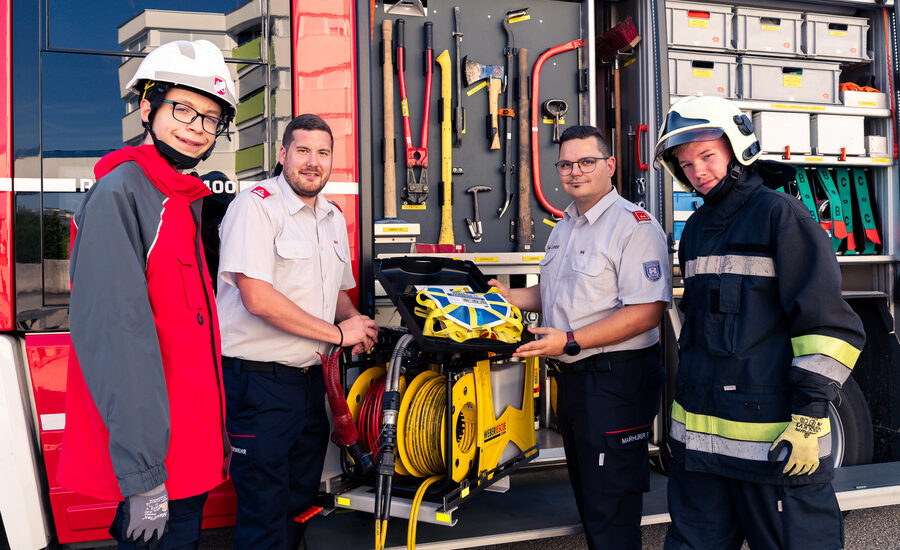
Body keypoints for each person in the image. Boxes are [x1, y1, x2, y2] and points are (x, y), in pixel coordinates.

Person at [654, 95, 866, 549]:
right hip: (701, 458)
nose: (698, 172)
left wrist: (810, 415)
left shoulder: (779, 216)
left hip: (774, 449)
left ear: (737, 148)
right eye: (686, 164)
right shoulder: (695, 230)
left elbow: (830, 326)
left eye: (707, 156)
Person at [57, 40, 237, 548]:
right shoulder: (123, 195)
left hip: (188, 458)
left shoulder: (179, 199)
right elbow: (119, 342)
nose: (196, 127)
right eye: (183, 108)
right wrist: (145, 478)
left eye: (210, 118)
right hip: (161, 467)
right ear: (147, 107)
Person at [489, 125, 670, 549]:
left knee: (611, 509)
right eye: (566, 164)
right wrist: (508, 296)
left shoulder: (634, 226)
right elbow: (556, 293)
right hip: (575, 382)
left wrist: (568, 340)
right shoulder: (566, 224)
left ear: (610, 166)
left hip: (614, 381)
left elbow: (646, 312)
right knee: (591, 501)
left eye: (586, 162)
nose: (575, 172)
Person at [216, 114, 379, 550]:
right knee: (263, 512)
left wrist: (357, 323)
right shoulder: (255, 205)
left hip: (312, 384)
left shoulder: (330, 216)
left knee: (300, 503)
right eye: (303, 150)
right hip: (260, 384)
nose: (313, 161)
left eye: (323, 153)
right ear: (283, 154)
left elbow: (339, 293)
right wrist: (337, 333)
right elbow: (257, 298)